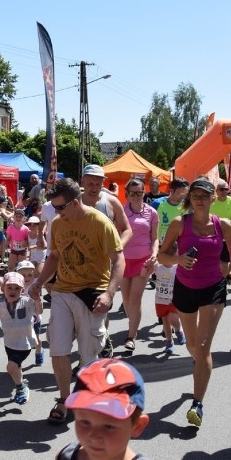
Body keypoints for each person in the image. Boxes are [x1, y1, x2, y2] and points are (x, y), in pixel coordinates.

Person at [29, 178, 125, 425]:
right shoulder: (59, 224)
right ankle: (64, 399)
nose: (56, 212)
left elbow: (119, 260)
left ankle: (89, 395)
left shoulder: (100, 223)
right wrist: (39, 282)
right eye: (53, 207)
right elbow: (55, 256)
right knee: (58, 349)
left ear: (74, 202)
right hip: (62, 291)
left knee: (87, 354)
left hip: (91, 293)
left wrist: (109, 294)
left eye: (60, 207)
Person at [157, 178, 231, 428]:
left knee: (203, 346)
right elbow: (162, 255)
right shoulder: (180, 223)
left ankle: (197, 404)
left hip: (214, 288)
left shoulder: (223, 225)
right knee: (192, 344)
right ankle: (199, 362)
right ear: (190, 199)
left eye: (204, 195)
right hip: (185, 288)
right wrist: (178, 259)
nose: (200, 199)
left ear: (213, 198)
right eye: (195, 196)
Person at [79, 165, 132, 358]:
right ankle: (87, 354)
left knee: (101, 308)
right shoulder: (74, 203)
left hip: (104, 266)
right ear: (82, 181)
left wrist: (116, 248)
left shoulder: (111, 202)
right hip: (78, 266)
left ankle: (100, 346)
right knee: (81, 313)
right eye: (90, 182)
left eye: (98, 183)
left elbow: (127, 229)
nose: (94, 187)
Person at [56, 358, 150, 460]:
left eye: (109, 426)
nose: (94, 436)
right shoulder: (66, 455)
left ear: (137, 426)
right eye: (85, 422)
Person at [0, 271, 42, 406]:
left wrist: (38, 299)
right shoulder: (1, 305)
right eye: (9, 287)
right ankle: (20, 382)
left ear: (22, 290)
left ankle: (21, 388)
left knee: (11, 367)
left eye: (17, 288)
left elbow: (39, 311)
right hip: (9, 343)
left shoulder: (26, 302)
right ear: (3, 288)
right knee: (16, 367)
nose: (13, 291)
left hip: (25, 343)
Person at [121, 179, 159, 354]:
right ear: (127, 193)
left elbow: (155, 238)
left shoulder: (151, 213)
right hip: (123, 260)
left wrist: (154, 254)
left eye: (140, 193)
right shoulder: (121, 211)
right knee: (127, 301)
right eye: (133, 193)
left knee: (135, 299)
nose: (136, 196)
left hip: (143, 260)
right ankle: (133, 323)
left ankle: (131, 336)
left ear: (144, 192)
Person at [5, 209, 30, 274]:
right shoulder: (10, 227)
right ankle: (11, 280)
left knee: (21, 268)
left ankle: (21, 281)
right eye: (16, 216)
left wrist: (26, 245)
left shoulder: (26, 229)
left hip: (22, 250)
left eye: (20, 216)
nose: (18, 218)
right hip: (13, 249)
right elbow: (8, 238)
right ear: (14, 217)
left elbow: (28, 241)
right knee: (10, 267)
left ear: (23, 218)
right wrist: (6, 245)